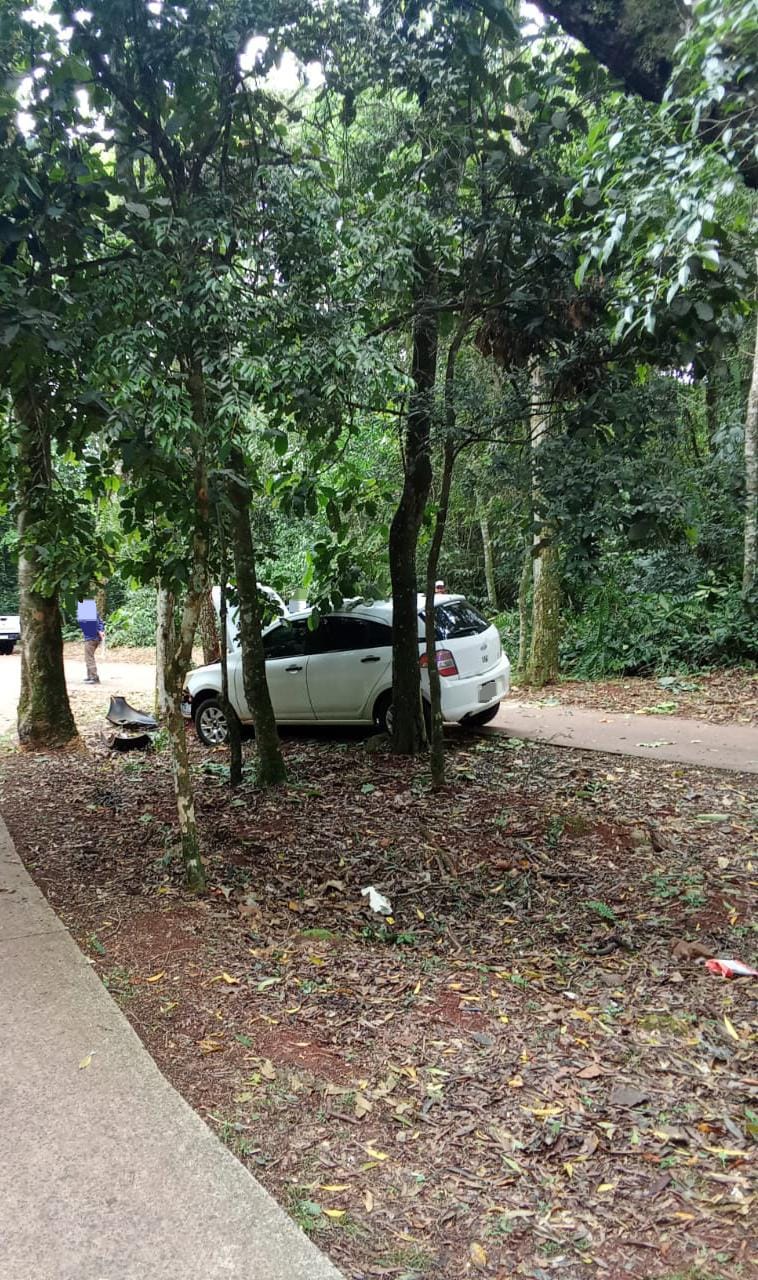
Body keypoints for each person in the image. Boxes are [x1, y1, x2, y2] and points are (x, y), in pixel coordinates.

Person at [79, 607, 105, 684]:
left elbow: (93, 624)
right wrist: (101, 631)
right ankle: (90, 676)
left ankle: (94, 677)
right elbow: (100, 622)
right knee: (89, 657)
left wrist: (98, 631)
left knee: (89, 658)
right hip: (95, 638)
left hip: (91, 638)